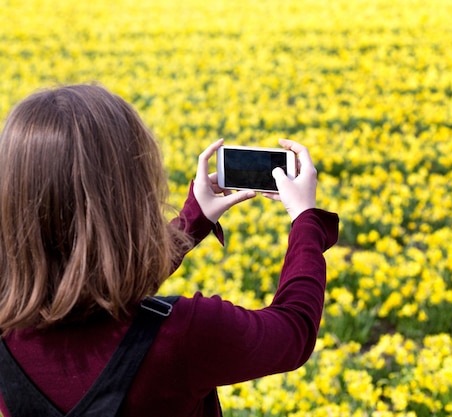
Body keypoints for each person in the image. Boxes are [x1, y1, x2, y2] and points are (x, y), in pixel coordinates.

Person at [0, 84, 339, 416]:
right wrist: (306, 219)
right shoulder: (183, 334)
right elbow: (292, 332)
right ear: (133, 196)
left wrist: (193, 219)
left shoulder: (7, 328)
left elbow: (93, 279)